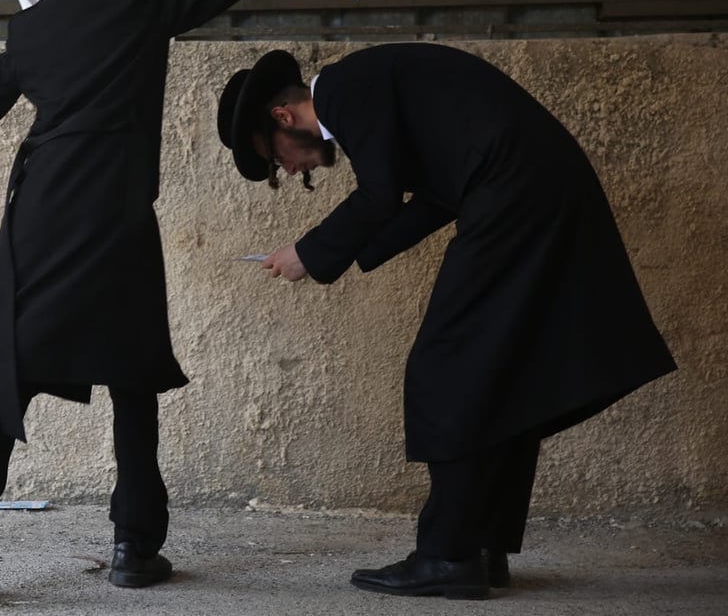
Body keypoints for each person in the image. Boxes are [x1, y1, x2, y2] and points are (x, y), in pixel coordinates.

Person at [0, 0, 308, 597]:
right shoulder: (139, 2)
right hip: (121, 221)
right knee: (133, 379)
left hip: (40, 221)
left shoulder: (29, 31)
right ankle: (134, 546)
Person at [216, 43, 676, 600]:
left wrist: (310, 252)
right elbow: (436, 196)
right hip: (525, 189)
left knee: (446, 367)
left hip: (514, 193)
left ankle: (448, 555)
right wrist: (342, 256)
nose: (288, 170)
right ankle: (481, 548)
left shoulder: (343, 88)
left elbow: (381, 194)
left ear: (283, 117)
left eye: (275, 159)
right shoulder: (366, 88)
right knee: (501, 372)